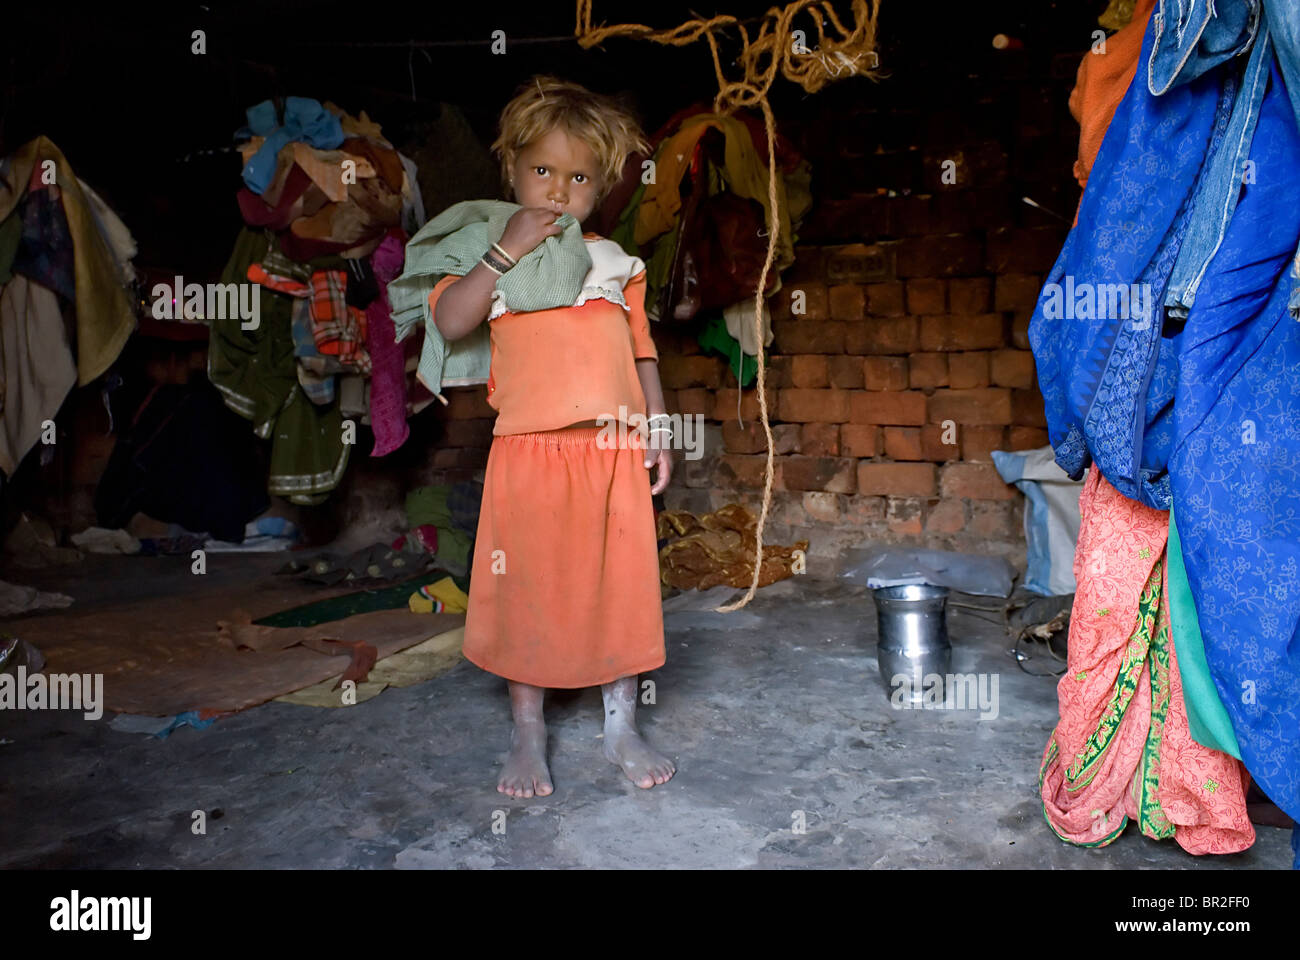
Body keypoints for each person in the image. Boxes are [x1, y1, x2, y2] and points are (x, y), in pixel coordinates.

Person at [430, 76, 676, 797]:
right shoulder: (488, 253)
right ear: (511, 169)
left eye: (579, 177)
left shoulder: (613, 263)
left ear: (600, 187)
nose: (559, 190)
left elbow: (641, 353)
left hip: (610, 451)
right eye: (543, 170)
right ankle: (528, 731)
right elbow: (450, 323)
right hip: (528, 453)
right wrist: (502, 253)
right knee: (528, 586)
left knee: (620, 585)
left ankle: (621, 726)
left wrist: (657, 427)